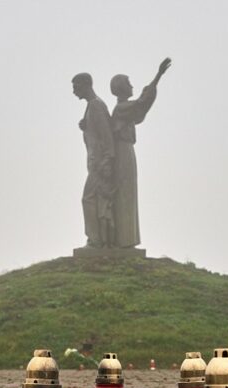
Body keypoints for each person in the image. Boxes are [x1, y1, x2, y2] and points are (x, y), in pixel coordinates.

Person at [109, 57, 171, 248]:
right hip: (122, 152)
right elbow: (142, 103)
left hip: (126, 151)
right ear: (121, 88)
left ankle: (127, 239)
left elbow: (140, 107)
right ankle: (124, 240)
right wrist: (158, 76)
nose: (132, 86)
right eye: (128, 83)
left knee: (129, 193)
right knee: (125, 194)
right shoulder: (121, 108)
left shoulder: (123, 108)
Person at [72, 73, 115, 247]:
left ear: (85, 85)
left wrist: (108, 159)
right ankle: (98, 239)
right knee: (94, 199)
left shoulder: (96, 105)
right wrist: (86, 126)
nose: (74, 91)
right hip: (94, 162)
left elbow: (106, 135)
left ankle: (95, 240)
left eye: (76, 86)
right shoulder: (91, 106)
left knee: (88, 199)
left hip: (99, 163)